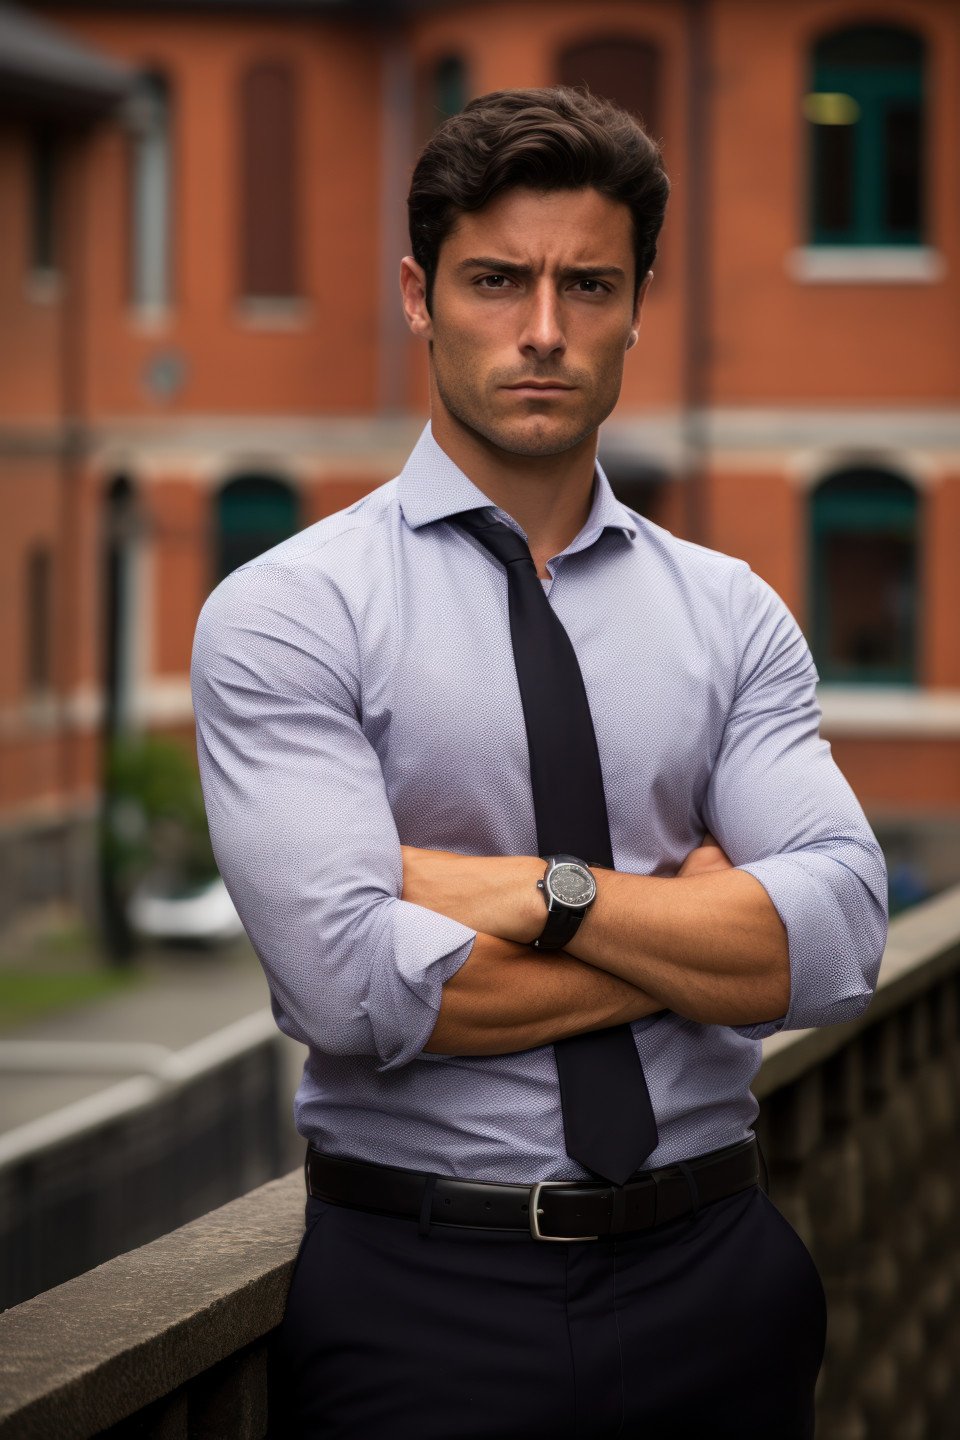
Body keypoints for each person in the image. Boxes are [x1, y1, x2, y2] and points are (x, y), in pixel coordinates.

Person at [191, 86, 887, 1439]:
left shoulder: (732, 613)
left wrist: (532, 895)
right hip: (423, 1296)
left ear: (639, 306)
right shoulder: (290, 614)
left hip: (720, 1273)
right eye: (498, 281)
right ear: (420, 295)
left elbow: (842, 937)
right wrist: (695, 938)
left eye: (590, 285)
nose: (546, 330)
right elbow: (346, 986)